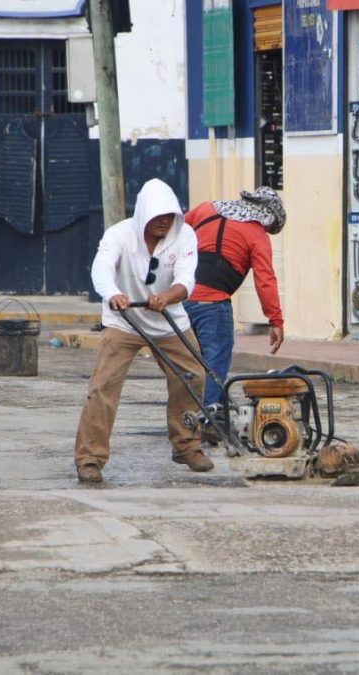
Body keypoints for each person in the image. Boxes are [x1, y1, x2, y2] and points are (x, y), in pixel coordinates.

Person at [74, 178, 213, 483]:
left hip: (170, 320)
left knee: (192, 376)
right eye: (157, 217)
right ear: (143, 216)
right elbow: (102, 268)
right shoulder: (119, 235)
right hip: (124, 321)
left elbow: (186, 280)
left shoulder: (185, 235)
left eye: (170, 216)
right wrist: (113, 293)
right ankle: (90, 458)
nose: (164, 222)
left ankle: (186, 444)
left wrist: (167, 297)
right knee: (103, 388)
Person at [183, 186, 286, 412]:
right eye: (269, 227)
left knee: (187, 362)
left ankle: (187, 418)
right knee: (215, 360)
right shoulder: (256, 234)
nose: (266, 231)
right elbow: (265, 280)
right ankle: (210, 416)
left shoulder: (205, 209)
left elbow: (175, 234)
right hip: (213, 304)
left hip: (180, 299)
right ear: (267, 216)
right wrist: (275, 321)